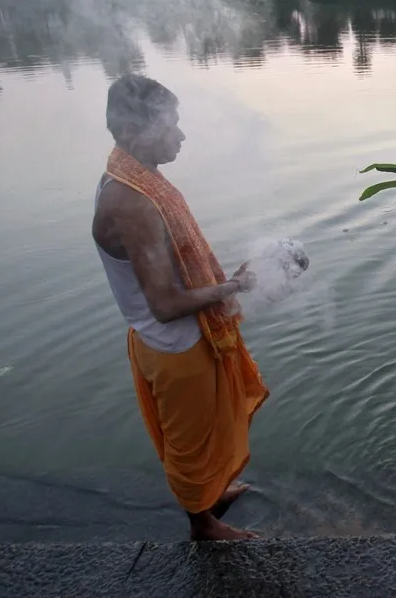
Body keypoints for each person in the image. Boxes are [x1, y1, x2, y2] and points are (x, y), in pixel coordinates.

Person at [92, 74, 269, 540]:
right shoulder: (133, 202)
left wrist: (225, 283)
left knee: (205, 429)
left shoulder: (135, 177)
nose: (181, 135)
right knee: (190, 444)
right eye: (170, 125)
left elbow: (173, 275)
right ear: (133, 133)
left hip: (178, 339)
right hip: (173, 346)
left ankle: (211, 494)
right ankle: (202, 525)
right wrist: (234, 286)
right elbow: (167, 304)